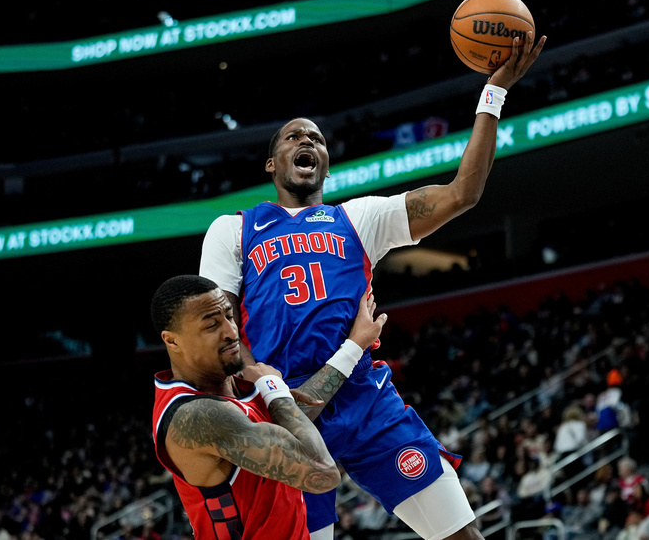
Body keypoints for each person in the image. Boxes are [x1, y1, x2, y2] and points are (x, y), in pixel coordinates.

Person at [199, 32, 546, 540]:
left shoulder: (358, 218)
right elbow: (220, 331)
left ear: (325, 163)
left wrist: (492, 95)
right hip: (280, 412)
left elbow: (462, 194)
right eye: (294, 137)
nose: (307, 142)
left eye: (316, 139)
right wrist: (266, 385)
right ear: (272, 164)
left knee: (462, 535)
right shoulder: (234, 228)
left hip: (364, 399)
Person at [149, 274, 386, 539]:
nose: (230, 332)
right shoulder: (195, 416)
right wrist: (274, 389)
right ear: (172, 340)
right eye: (212, 325)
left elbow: (289, 423)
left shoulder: (234, 387)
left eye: (229, 316)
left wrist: (354, 345)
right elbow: (321, 471)